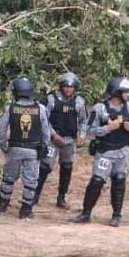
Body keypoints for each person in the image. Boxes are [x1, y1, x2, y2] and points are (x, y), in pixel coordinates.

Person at [71, 78, 129, 227]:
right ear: (117, 92)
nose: (128, 94)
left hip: (122, 151)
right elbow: (90, 129)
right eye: (125, 92)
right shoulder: (100, 108)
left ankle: (116, 216)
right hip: (105, 151)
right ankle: (85, 213)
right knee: (97, 181)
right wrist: (108, 128)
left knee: (119, 180)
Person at [0, 77, 53, 220]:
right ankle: (26, 209)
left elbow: (1, 130)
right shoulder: (40, 109)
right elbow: (46, 131)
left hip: (15, 148)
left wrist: (4, 145)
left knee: (9, 177)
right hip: (33, 149)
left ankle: (3, 204)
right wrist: (44, 145)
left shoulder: (11, 108)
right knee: (31, 180)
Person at [38, 72, 88, 209]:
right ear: (61, 87)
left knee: (67, 168)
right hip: (52, 139)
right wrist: (53, 135)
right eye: (65, 86)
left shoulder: (79, 102)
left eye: (71, 87)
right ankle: (34, 196)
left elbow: (84, 121)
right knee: (45, 167)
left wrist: (82, 136)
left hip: (69, 140)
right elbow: (44, 120)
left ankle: (61, 198)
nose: (68, 89)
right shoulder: (51, 99)